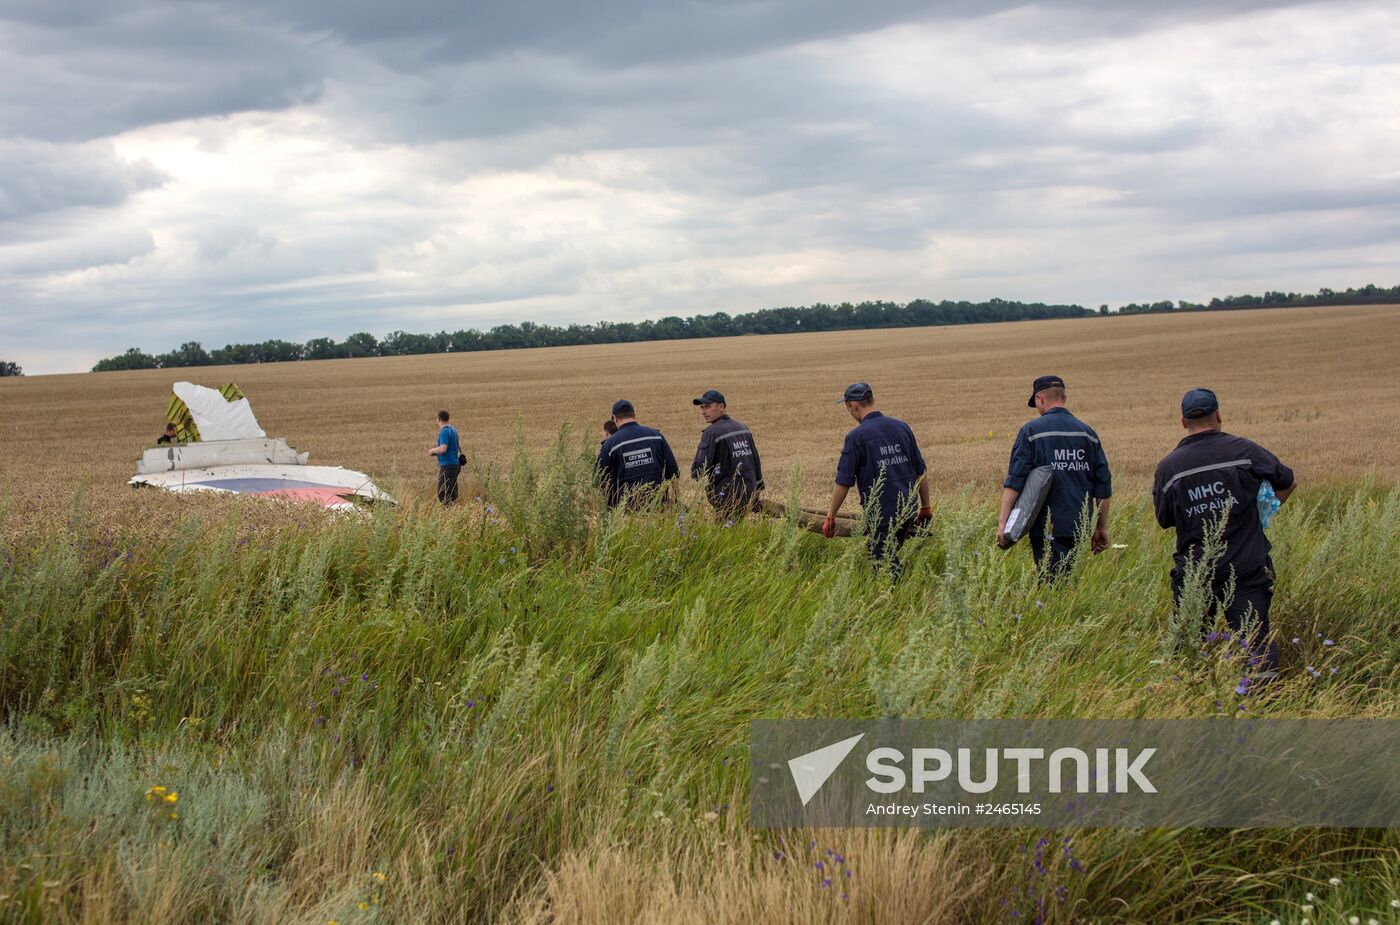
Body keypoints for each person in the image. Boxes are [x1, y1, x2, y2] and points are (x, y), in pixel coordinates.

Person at [1152, 388, 1296, 673]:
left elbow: (1165, 518)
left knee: (1189, 652)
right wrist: (1263, 512)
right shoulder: (1245, 451)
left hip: (1195, 572)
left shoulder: (1169, 467)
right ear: (1219, 415)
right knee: (1256, 646)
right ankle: (1263, 705)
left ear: (1182, 421)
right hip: (1245, 568)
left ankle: (1192, 701)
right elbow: (1288, 481)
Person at [997, 375, 1113, 578]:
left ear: (1040, 399)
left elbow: (1015, 480)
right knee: (1069, 578)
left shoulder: (1031, 432)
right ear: (1064, 399)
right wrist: (1101, 526)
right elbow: (1102, 486)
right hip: (1080, 524)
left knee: (1051, 582)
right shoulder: (1088, 434)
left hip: (1046, 525)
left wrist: (1003, 523)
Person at [821, 382, 932, 578]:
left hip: (882, 513)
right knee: (887, 554)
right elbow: (920, 471)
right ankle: (899, 595)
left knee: (883, 566)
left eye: (848, 409)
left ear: (854, 406)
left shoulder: (857, 437)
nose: (850, 413)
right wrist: (925, 507)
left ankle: (896, 601)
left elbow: (844, 481)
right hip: (908, 508)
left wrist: (831, 515)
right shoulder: (902, 428)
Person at [690, 388, 764, 515]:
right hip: (749, 491)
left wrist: (694, 474)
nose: (703, 412)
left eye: (707, 407)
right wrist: (758, 486)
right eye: (702, 408)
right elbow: (755, 460)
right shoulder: (743, 428)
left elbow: (700, 468)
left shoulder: (712, 432)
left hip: (726, 495)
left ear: (721, 407)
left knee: (724, 530)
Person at [596, 399, 680, 508]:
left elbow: (598, 479)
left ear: (614, 418)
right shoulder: (656, 436)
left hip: (626, 511)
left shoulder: (610, 444)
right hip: (658, 506)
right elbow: (673, 472)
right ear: (634, 415)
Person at [429, 409, 462, 505]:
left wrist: (432, 451)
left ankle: (449, 512)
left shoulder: (444, 432)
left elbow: (443, 449)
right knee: (452, 492)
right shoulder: (453, 430)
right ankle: (456, 512)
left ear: (438, 419)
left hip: (447, 466)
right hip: (455, 464)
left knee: (442, 492)